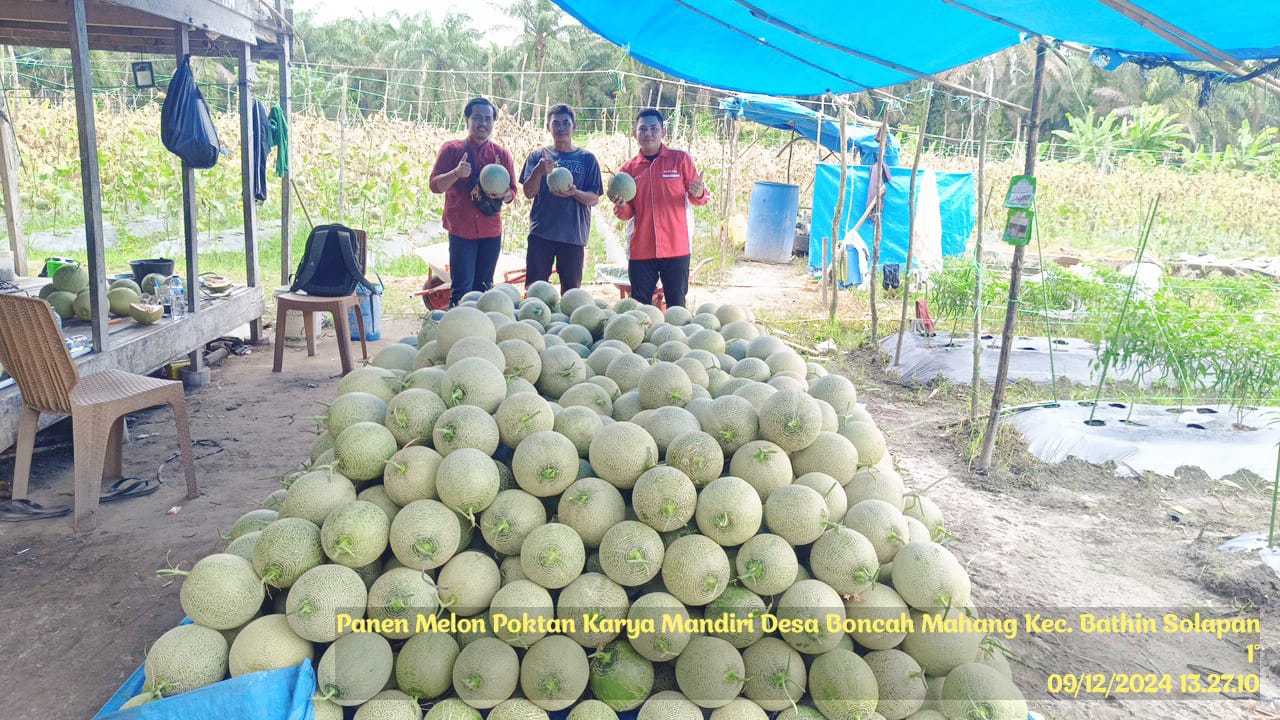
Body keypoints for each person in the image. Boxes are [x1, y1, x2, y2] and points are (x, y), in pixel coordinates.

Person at [609, 109, 709, 308]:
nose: (648, 134)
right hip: (641, 249)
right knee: (639, 308)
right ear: (634, 133)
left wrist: (698, 192)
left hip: (676, 247)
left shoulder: (680, 160)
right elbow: (628, 213)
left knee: (677, 306)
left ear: (663, 132)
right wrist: (621, 206)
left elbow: (699, 199)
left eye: (653, 128)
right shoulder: (628, 170)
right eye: (643, 129)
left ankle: (676, 339)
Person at [429, 97, 518, 307]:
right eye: (477, 118)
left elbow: (513, 191)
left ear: (494, 122)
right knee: (461, 287)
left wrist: (504, 195)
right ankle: (457, 331)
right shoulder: (452, 150)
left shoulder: (501, 155)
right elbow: (435, 186)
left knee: (485, 287)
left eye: (488, 119)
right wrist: (456, 173)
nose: (483, 124)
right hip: (462, 230)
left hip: (491, 231)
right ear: (467, 120)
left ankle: (480, 332)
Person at [519, 104, 603, 292]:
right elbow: (528, 193)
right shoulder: (537, 156)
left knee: (571, 294)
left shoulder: (587, 159)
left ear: (574, 127)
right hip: (541, 234)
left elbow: (594, 198)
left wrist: (574, 192)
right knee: (534, 291)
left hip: (573, 237)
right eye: (555, 123)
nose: (561, 128)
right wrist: (537, 172)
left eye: (566, 123)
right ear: (548, 127)